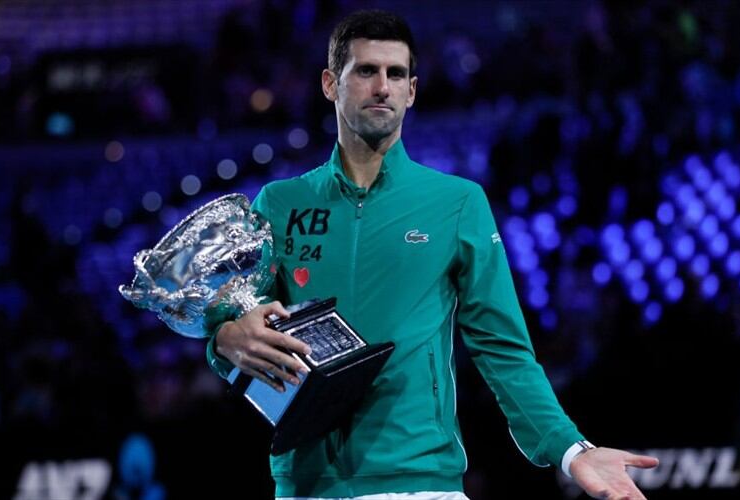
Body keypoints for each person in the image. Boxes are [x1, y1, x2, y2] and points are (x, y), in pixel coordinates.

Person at [207, 9, 658, 500]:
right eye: (366, 71)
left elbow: (502, 347)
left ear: (412, 91)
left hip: (422, 481)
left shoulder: (458, 203)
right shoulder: (278, 204)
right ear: (330, 84)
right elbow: (239, 329)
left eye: (396, 74)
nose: (383, 87)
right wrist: (224, 341)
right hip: (308, 485)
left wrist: (571, 449)